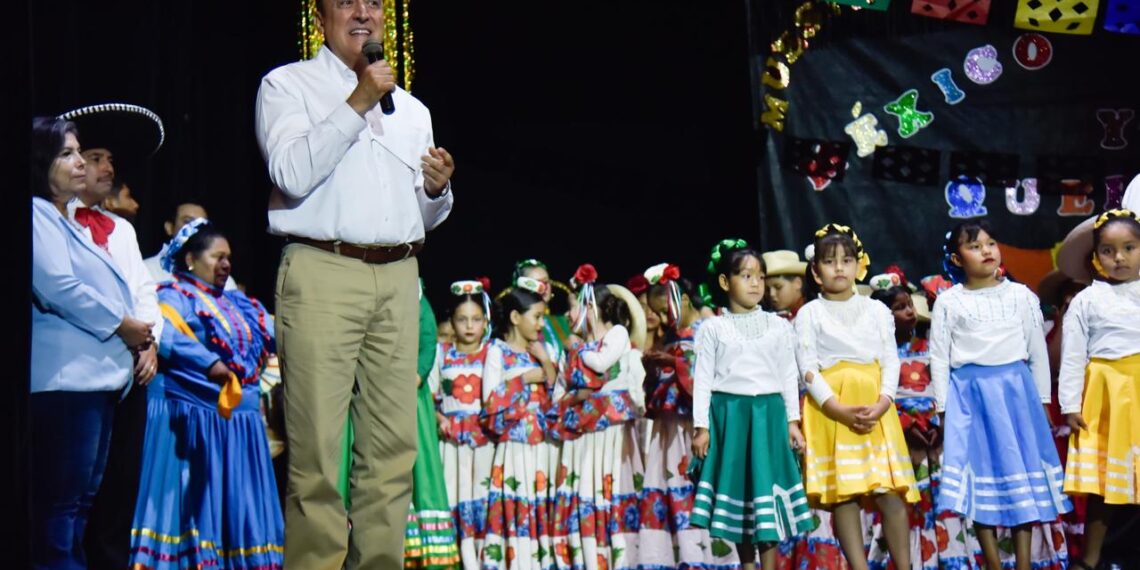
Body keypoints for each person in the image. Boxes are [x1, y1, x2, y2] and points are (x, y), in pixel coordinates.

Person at [254, 0, 456, 565]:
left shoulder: (412, 109)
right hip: (322, 271)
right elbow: (290, 174)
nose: (364, 12)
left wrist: (437, 190)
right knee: (317, 456)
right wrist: (358, 100)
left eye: (374, 2)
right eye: (347, 2)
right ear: (321, 18)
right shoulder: (287, 86)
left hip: (399, 275)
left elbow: (421, 214)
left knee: (392, 455)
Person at [30, 116, 153, 570]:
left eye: (82, 152)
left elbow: (135, 287)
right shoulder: (36, 214)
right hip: (67, 384)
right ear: (40, 161)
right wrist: (123, 325)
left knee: (81, 506)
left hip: (98, 384)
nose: (80, 162)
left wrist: (145, 334)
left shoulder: (76, 225)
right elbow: (58, 286)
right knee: (60, 510)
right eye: (68, 153)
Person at [127, 220, 283, 569]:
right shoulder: (173, 296)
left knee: (238, 506)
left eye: (228, 257)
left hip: (241, 425)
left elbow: (274, 333)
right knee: (194, 505)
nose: (226, 264)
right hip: (196, 419)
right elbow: (167, 337)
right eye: (217, 256)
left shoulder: (239, 303)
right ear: (190, 261)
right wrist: (211, 363)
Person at [931, 220, 1071, 570]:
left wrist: (1041, 403)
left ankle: (1022, 562)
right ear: (957, 258)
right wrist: (944, 409)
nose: (986, 251)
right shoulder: (949, 302)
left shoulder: (1021, 295)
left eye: (990, 243)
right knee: (981, 481)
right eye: (975, 246)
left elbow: (1037, 351)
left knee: (1020, 474)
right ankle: (992, 562)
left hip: (1016, 395)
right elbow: (938, 357)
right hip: (971, 397)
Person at [796, 224, 918, 570]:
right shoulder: (809, 314)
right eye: (830, 261)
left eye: (846, 260)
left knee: (888, 492)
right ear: (816, 273)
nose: (839, 268)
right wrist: (837, 408)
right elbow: (807, 368)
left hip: (875, 407)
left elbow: (890, 359)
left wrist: (883, 402)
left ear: (858, 266)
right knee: (845, 497)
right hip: (832, 409)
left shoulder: (876, 311)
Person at [690, 241, 815, 570]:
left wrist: (792, 422)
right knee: (742, 495)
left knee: (766, 492)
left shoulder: (778, 326)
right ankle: (747, 564)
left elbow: (789, 375)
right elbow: (702, 380)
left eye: (760, 276)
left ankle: (770, 565)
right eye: (746, 275)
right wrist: (701, 428)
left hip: (768, 418)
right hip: (730, 418)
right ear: (725, 282)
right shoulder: (713, 328)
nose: (756, 283)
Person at [638, 259, 739, 568]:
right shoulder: (673, 335)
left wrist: (676, 362)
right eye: (657, 312)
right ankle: (680, 556)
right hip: (670, 428)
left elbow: (715, 380)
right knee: (672, 489)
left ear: (682, 300)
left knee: (701, 489)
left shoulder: (709, 328)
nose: (662, 318)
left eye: (664, 310)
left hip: (696, 425)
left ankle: (714, 557)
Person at [1055, 209, 1140, 570]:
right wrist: (1071, 405)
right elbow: (1073, 355)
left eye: (1129, 248)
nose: (1119, 257)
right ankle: (1089, 560)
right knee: (1107, 485)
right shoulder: (1088, 300)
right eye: (1108, 250)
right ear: (1096, 256)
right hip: (1108, 396)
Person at [548, 265, 647, 570]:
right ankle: (586, 557)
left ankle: (619, 556)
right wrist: (564, 401)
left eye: (578, 305)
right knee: (585, 487)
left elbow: (602, 362)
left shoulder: (616, 335)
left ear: (592, 306)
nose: (571, 313)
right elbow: (560, 390)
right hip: (583, 430)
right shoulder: (574, 348)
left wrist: (578, 349)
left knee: (612, 485)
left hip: (612, 428)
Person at [481, 279, 558, 570]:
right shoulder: (497, 351)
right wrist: (525, 378)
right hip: (513, 447)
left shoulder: (541, 352)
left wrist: (547, 366)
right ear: (515, 317)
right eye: (536, 317)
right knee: (515, 503)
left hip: (543, 445)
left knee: (540, 502)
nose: (541, 323)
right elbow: (490, 401)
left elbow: (557, 397)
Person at [429, 279, 494, 569]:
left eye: (476, 319)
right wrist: (439, 418)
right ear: (452, 322)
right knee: (453, 496)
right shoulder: (440, 354)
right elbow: (426, 400)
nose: (470, 326)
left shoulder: (494, 353)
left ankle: (483, 559)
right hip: (451, 444)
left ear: (485, 321)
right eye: (462, 319)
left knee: (483, 497)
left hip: (485, 442)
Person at [143, 201, 237, 290]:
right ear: (169, 227)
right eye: (188, 222)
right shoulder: (147, 270)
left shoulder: (224, 280)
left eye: (202, 224)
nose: (195, 227)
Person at [761, 249, 807, 319]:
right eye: (767, 289)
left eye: (778, 287)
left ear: (798, 283)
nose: (771, 294)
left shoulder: (814, 314)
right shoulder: (769, 319)